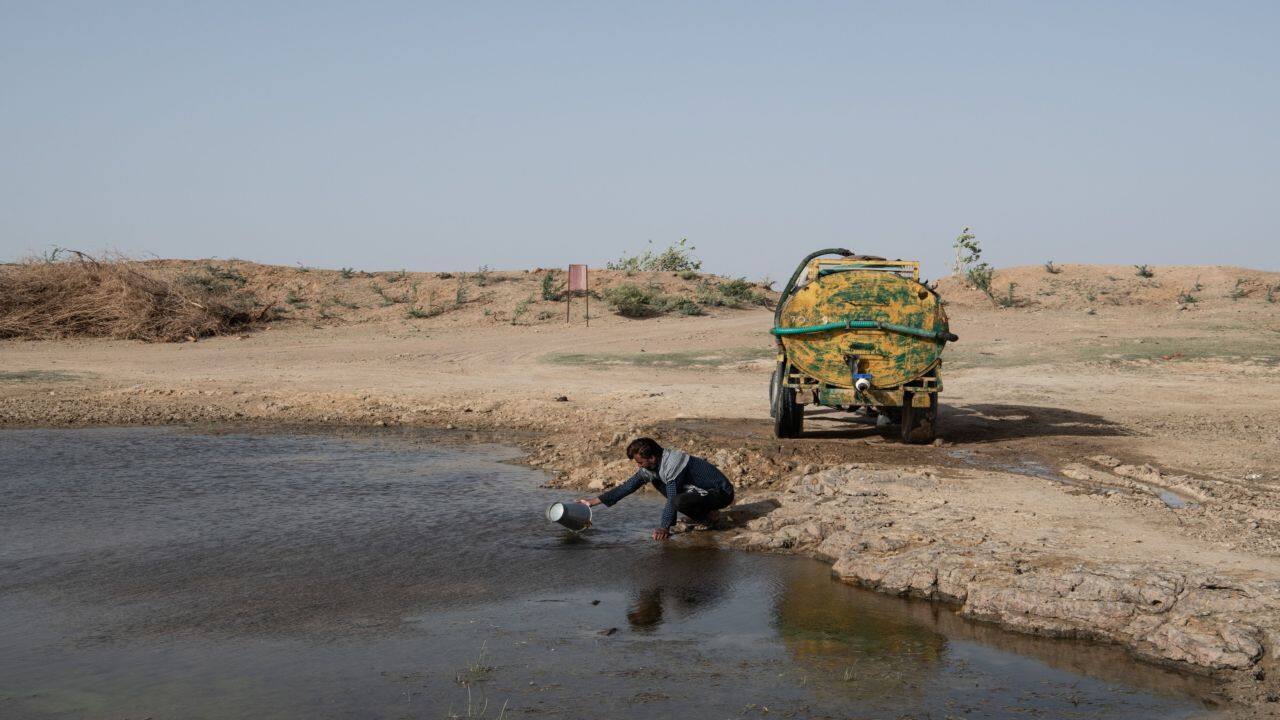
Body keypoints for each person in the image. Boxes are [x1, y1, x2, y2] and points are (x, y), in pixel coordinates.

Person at [577, 437, 734, 541]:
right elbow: (628, 486)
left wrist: (664, 527)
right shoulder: (653, 467)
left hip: (720, 493)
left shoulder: (672, 464)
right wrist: (592, 502)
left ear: (652, 458)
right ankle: (707, 516)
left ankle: (708, 516)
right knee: (658, 482)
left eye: (640, 462)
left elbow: (673, 497)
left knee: (678, 500)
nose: (639, 466)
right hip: (699, 492)